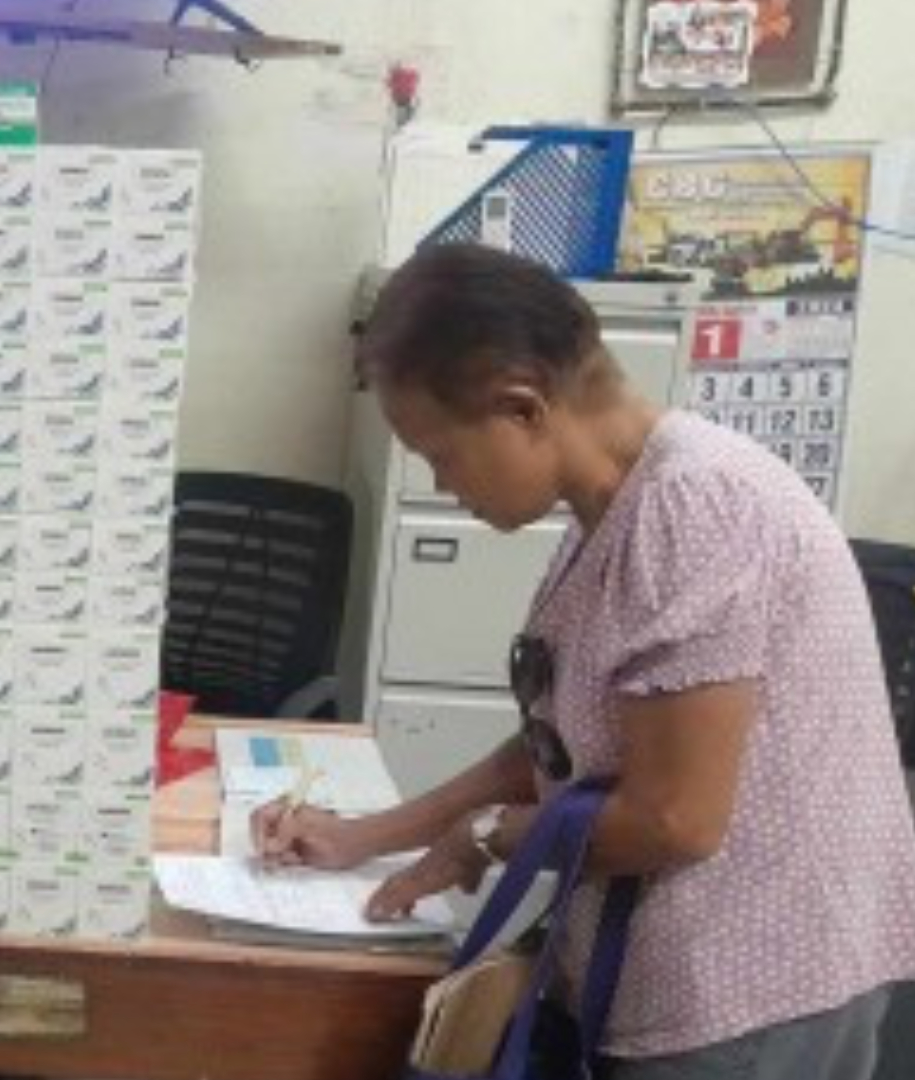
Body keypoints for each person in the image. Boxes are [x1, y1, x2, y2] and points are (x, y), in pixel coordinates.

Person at [254, 243, 915, 1079]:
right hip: (667, 971)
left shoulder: (693, 509)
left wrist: (486, 838)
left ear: (523, 408)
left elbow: (675, 820)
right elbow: (559, 743)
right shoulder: (611, 511)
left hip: (749, 993)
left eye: (441, 454)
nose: (443, 485)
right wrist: (367, 835)